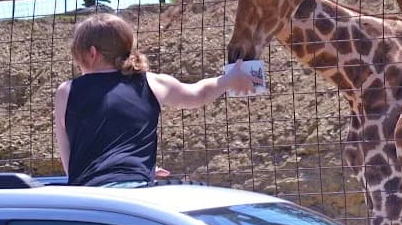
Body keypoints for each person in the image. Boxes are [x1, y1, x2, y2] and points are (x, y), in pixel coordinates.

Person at [54, 13, 258, 187]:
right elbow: (199, 94)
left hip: (90, 198)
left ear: (92, 53)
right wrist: (230, 79)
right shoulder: (151, 82)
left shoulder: (66, 91)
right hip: (136, 188)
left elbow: (70, 163)